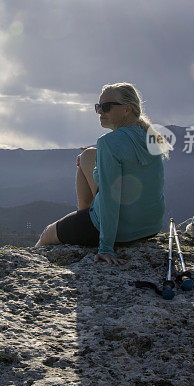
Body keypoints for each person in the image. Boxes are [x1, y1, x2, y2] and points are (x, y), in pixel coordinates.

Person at [35, 82, 172, 266]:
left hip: (120, 231)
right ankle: (83, 214)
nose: (100, 112)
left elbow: (109, 198)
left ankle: (79, 224)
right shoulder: (152, 138)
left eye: (106, 107)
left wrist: (106, 247)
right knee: (86, 156)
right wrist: (95, 156)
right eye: (98, 107)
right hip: (149, 227)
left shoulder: (108, 142)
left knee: (46, 234)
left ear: (127, 109)